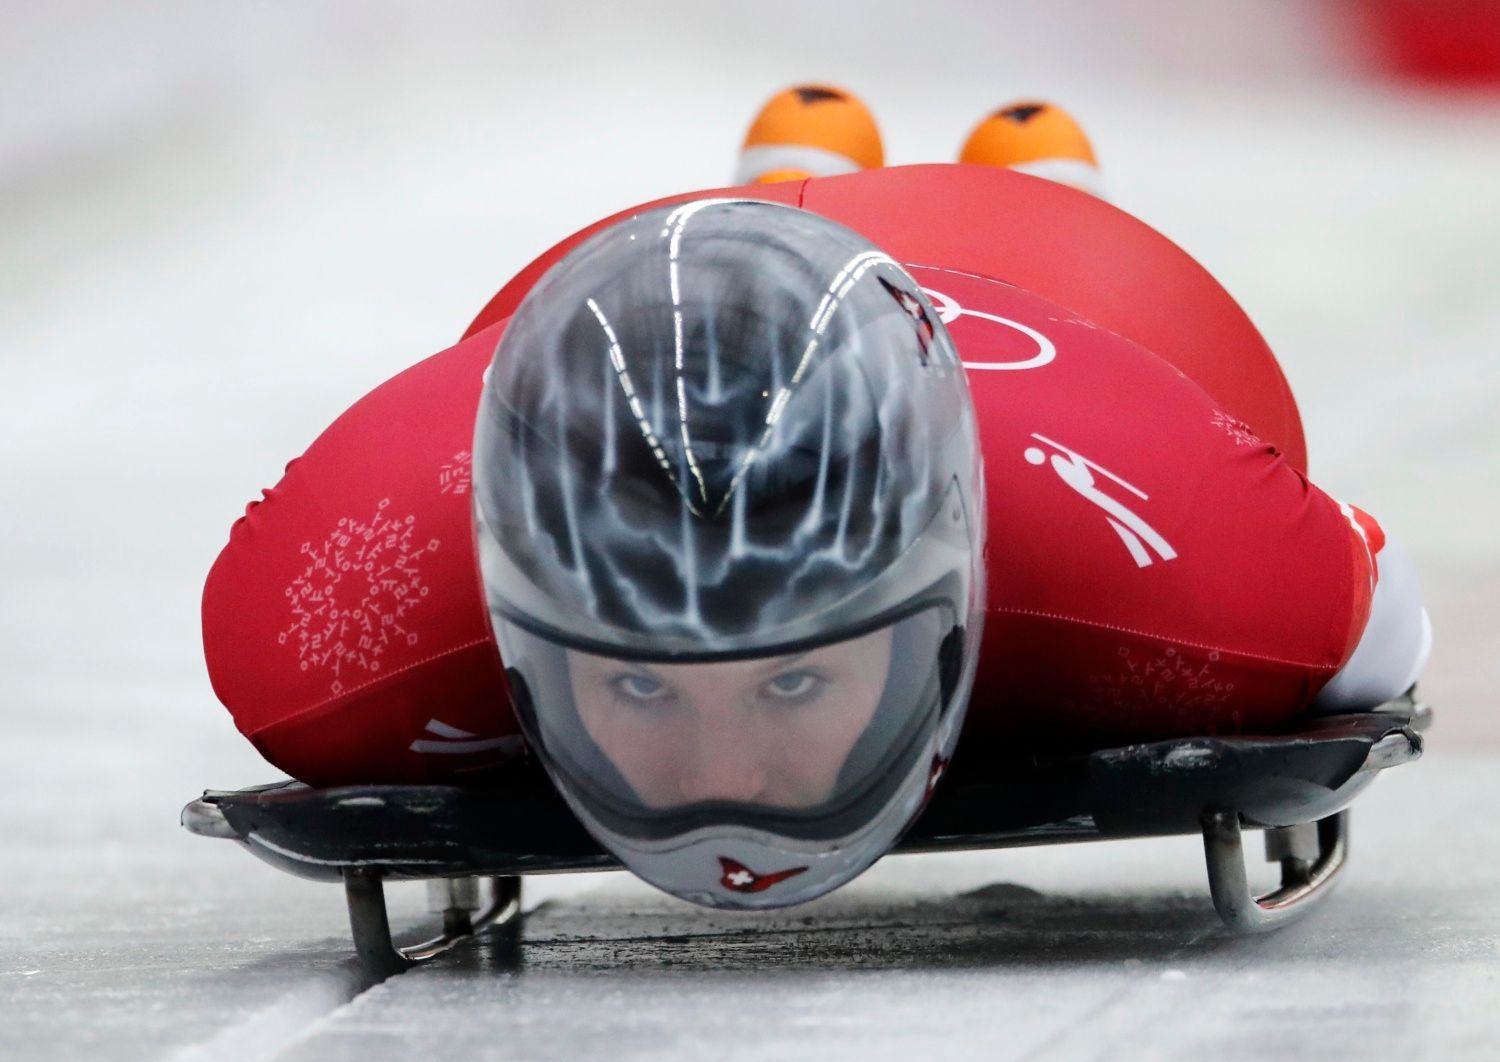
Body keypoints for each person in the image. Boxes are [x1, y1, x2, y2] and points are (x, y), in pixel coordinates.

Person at [202, 87, 1431, 908]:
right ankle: (958, 172)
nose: (721, 780)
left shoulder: (1180, 558)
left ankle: (979, 187)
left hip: (1049, 294)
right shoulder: (344, 609)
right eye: (638, 683)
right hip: (675, 273)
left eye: (792, 678)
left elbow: (1367, 617)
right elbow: (1381, 638)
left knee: (1124, 299)